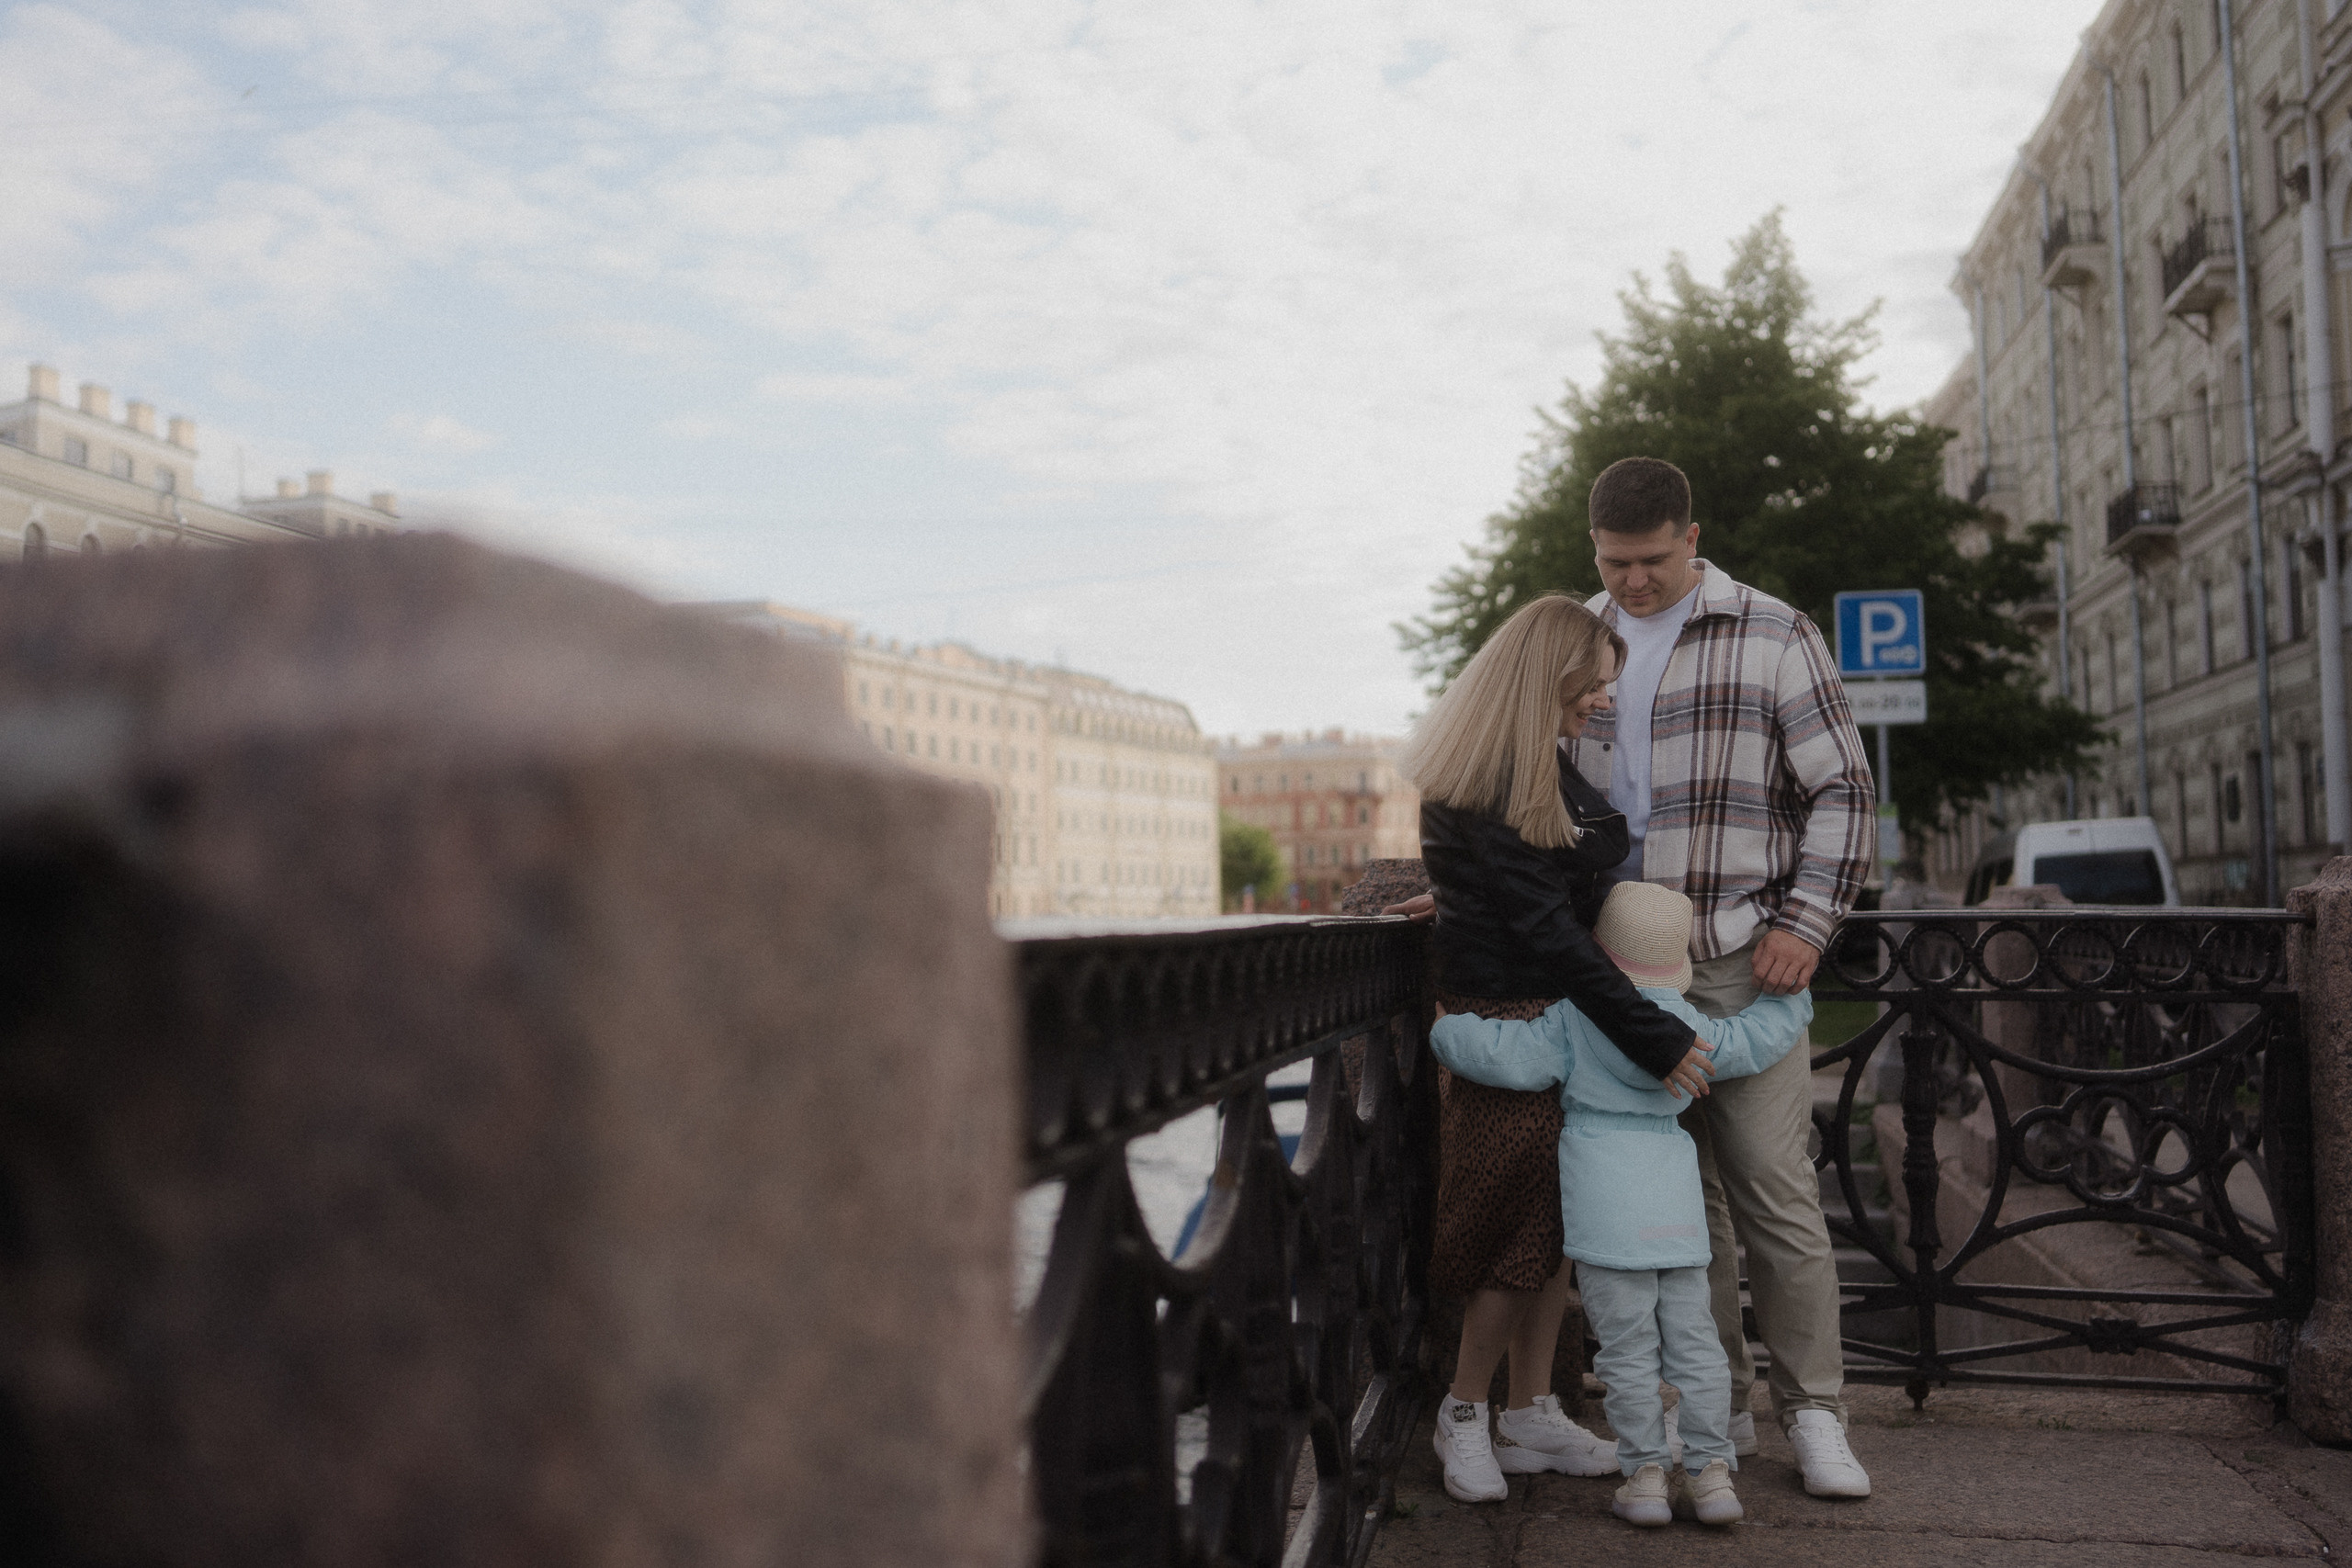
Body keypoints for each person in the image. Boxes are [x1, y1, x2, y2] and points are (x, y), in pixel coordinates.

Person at [1567, 455, 1876, 1498]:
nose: (1633, 583)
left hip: (1746, 957)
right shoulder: (1578, 633)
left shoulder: (1774, 630)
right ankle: (1721, 1416)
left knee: (1773, 1195)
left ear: (1690, 537)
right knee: (1677, 1212)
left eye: (1651, 561)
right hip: (1621, 974)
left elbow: (1843, 790)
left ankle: (1818, 1415)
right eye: (1613, 562)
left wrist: (1809, 920)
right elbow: (1537, 788)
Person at [1400, 592, 1717, 1505]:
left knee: (1558, 1225)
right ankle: (1462, 1410)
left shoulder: (1529, 768)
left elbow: (1545, 913)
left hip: (1549, 1014)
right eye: (1595, 685)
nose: (1603, 701)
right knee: (1510, 1229)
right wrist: (1656, 1035)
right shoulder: (1488, 785)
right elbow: (1550, 934)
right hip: (1506, 1025)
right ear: (1554, 675)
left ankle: (1528, 1411)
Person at [1428, 880, 1813, 1529]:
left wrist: (1447, 1029)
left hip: (1605, 1214)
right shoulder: (1688, 1028)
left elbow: (1505, 1057)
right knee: (1694, 1345)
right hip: (1678, 1215)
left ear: (1599, 954)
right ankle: (1712, 1474)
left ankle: (1644, 1477)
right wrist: (1794, 1001)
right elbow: (1754, 1037)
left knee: (1628, 1352)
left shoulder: (1577, 1019)